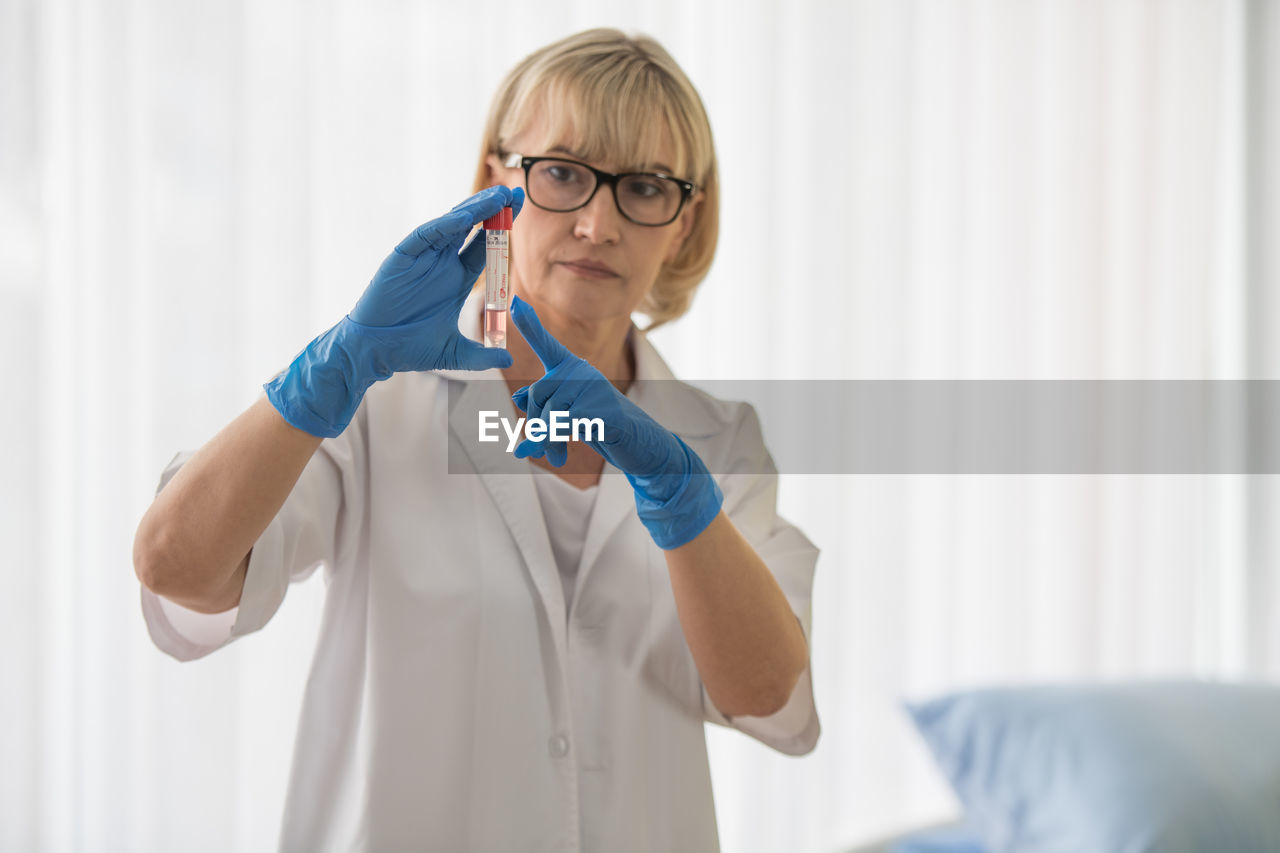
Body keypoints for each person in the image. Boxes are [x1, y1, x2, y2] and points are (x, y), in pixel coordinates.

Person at [133, 28, 819, 852]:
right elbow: (175, 565)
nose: (599, 223)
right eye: (563, 172)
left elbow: (767, 693)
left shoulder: (717, 442)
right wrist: (333, 370)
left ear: (683, 221)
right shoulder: (379, 400)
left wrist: (682, 495)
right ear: (497, 180)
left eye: (643, 186)